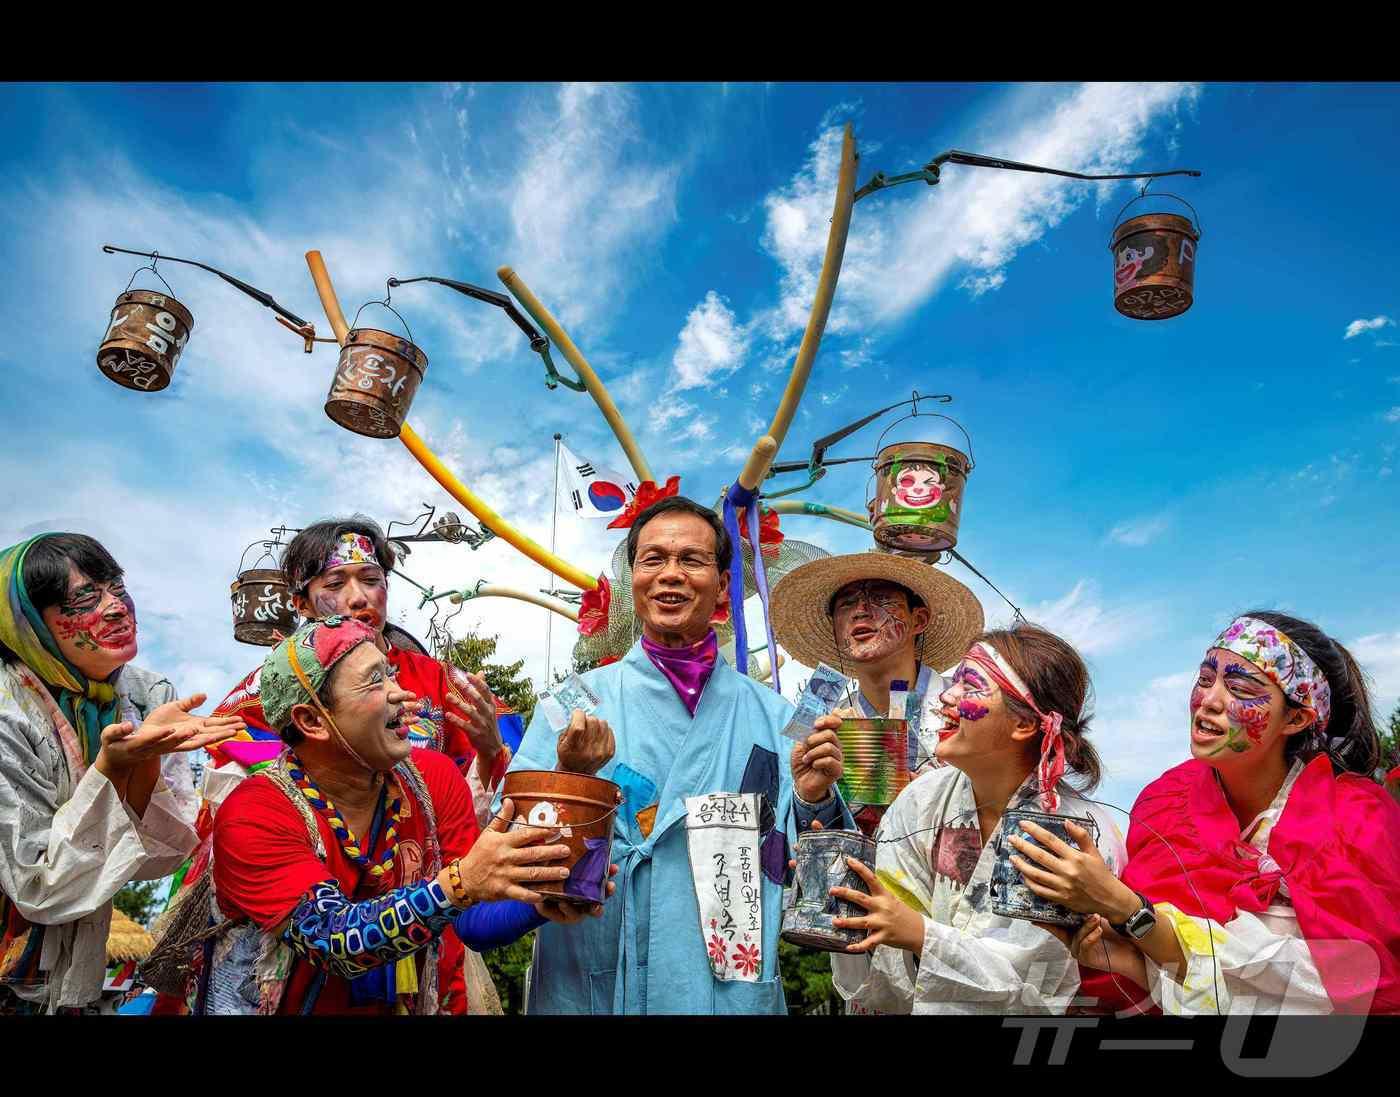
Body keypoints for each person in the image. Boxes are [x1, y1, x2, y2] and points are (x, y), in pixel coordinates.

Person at [503, 495, 852, 1014]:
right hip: (598, 974)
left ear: (723, 583)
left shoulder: (778, 717)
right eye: (653, 559)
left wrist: (812, 798)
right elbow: (510, 852)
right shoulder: (572, 703)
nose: (671, 575)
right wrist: (568, 779)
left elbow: (816, 886)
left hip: (724, 985)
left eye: (691, 560)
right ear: (633, 578)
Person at [207, 616, 599, 1014]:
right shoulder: (253, 811)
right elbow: (333, 940)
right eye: (374, 681)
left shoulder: (433, 777)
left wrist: (541, 899)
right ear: (311, 721)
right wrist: (458, 884)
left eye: (391, 674)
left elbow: (470, 922)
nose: (402, 693)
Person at [1017, 611, 1400, 1015]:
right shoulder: (1164, 805)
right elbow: (1169, 975)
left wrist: (1132, 913)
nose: (1209, 701)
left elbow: (1354, 987)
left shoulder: (1359, 818)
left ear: (1296, 718)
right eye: (1204, 680)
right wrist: (1125, 956)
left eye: (1238, 687)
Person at [828, 623, 1127, 1014]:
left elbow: (1030, 984)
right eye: (953, 683)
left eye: (969, 687)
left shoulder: (1077, 835)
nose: (946, 697)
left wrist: (920, 934)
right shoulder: (921, 800)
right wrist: (845, 893)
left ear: (1023, 724)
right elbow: (883, 949)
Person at [0, 533, 241, 1013]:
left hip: (73, 984)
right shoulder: (8, 712)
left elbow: (159, 857)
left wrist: (144, 760)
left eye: (116, 586)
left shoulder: (145, 696)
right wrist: (111, 769)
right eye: (84, 598)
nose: (115, 608)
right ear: (29, 624)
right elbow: (36, 885)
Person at [770, 550, 984, 834]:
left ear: (918, 620)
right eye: (846, 604)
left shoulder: (971, 708)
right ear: (834, 629)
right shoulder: (819, 725)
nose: (860, 611)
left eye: (881, 599)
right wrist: (812, 797)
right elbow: (799, 824)